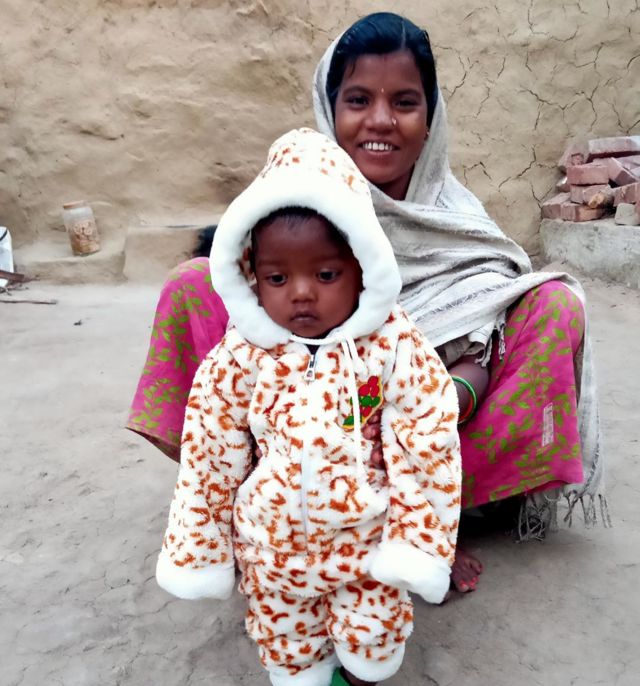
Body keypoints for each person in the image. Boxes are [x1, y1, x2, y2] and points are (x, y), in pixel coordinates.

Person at [128, 12, 607, 595]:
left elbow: (486, 326)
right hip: (291, 433)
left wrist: (437, 398)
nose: (380, 120)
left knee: (555, 305)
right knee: (191, 285)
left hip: (424, 425)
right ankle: (258, 521)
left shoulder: (454, 222)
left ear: (430, 120)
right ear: (329, 110)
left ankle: (427, 529)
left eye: (404, 102)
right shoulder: (287, 203)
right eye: (358, 100)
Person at [155, 128, 461, 686]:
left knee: (373, 626)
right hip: (272, 545)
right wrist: (200, 548)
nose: (300, 293)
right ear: (249, 274)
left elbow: (427, 445)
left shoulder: (394, 347)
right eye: (277, 276)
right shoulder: (240, 356)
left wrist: (416, 544)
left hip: (364, 540)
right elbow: (209, 455)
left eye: (325, 273)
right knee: (284, 632)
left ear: (362, 265)